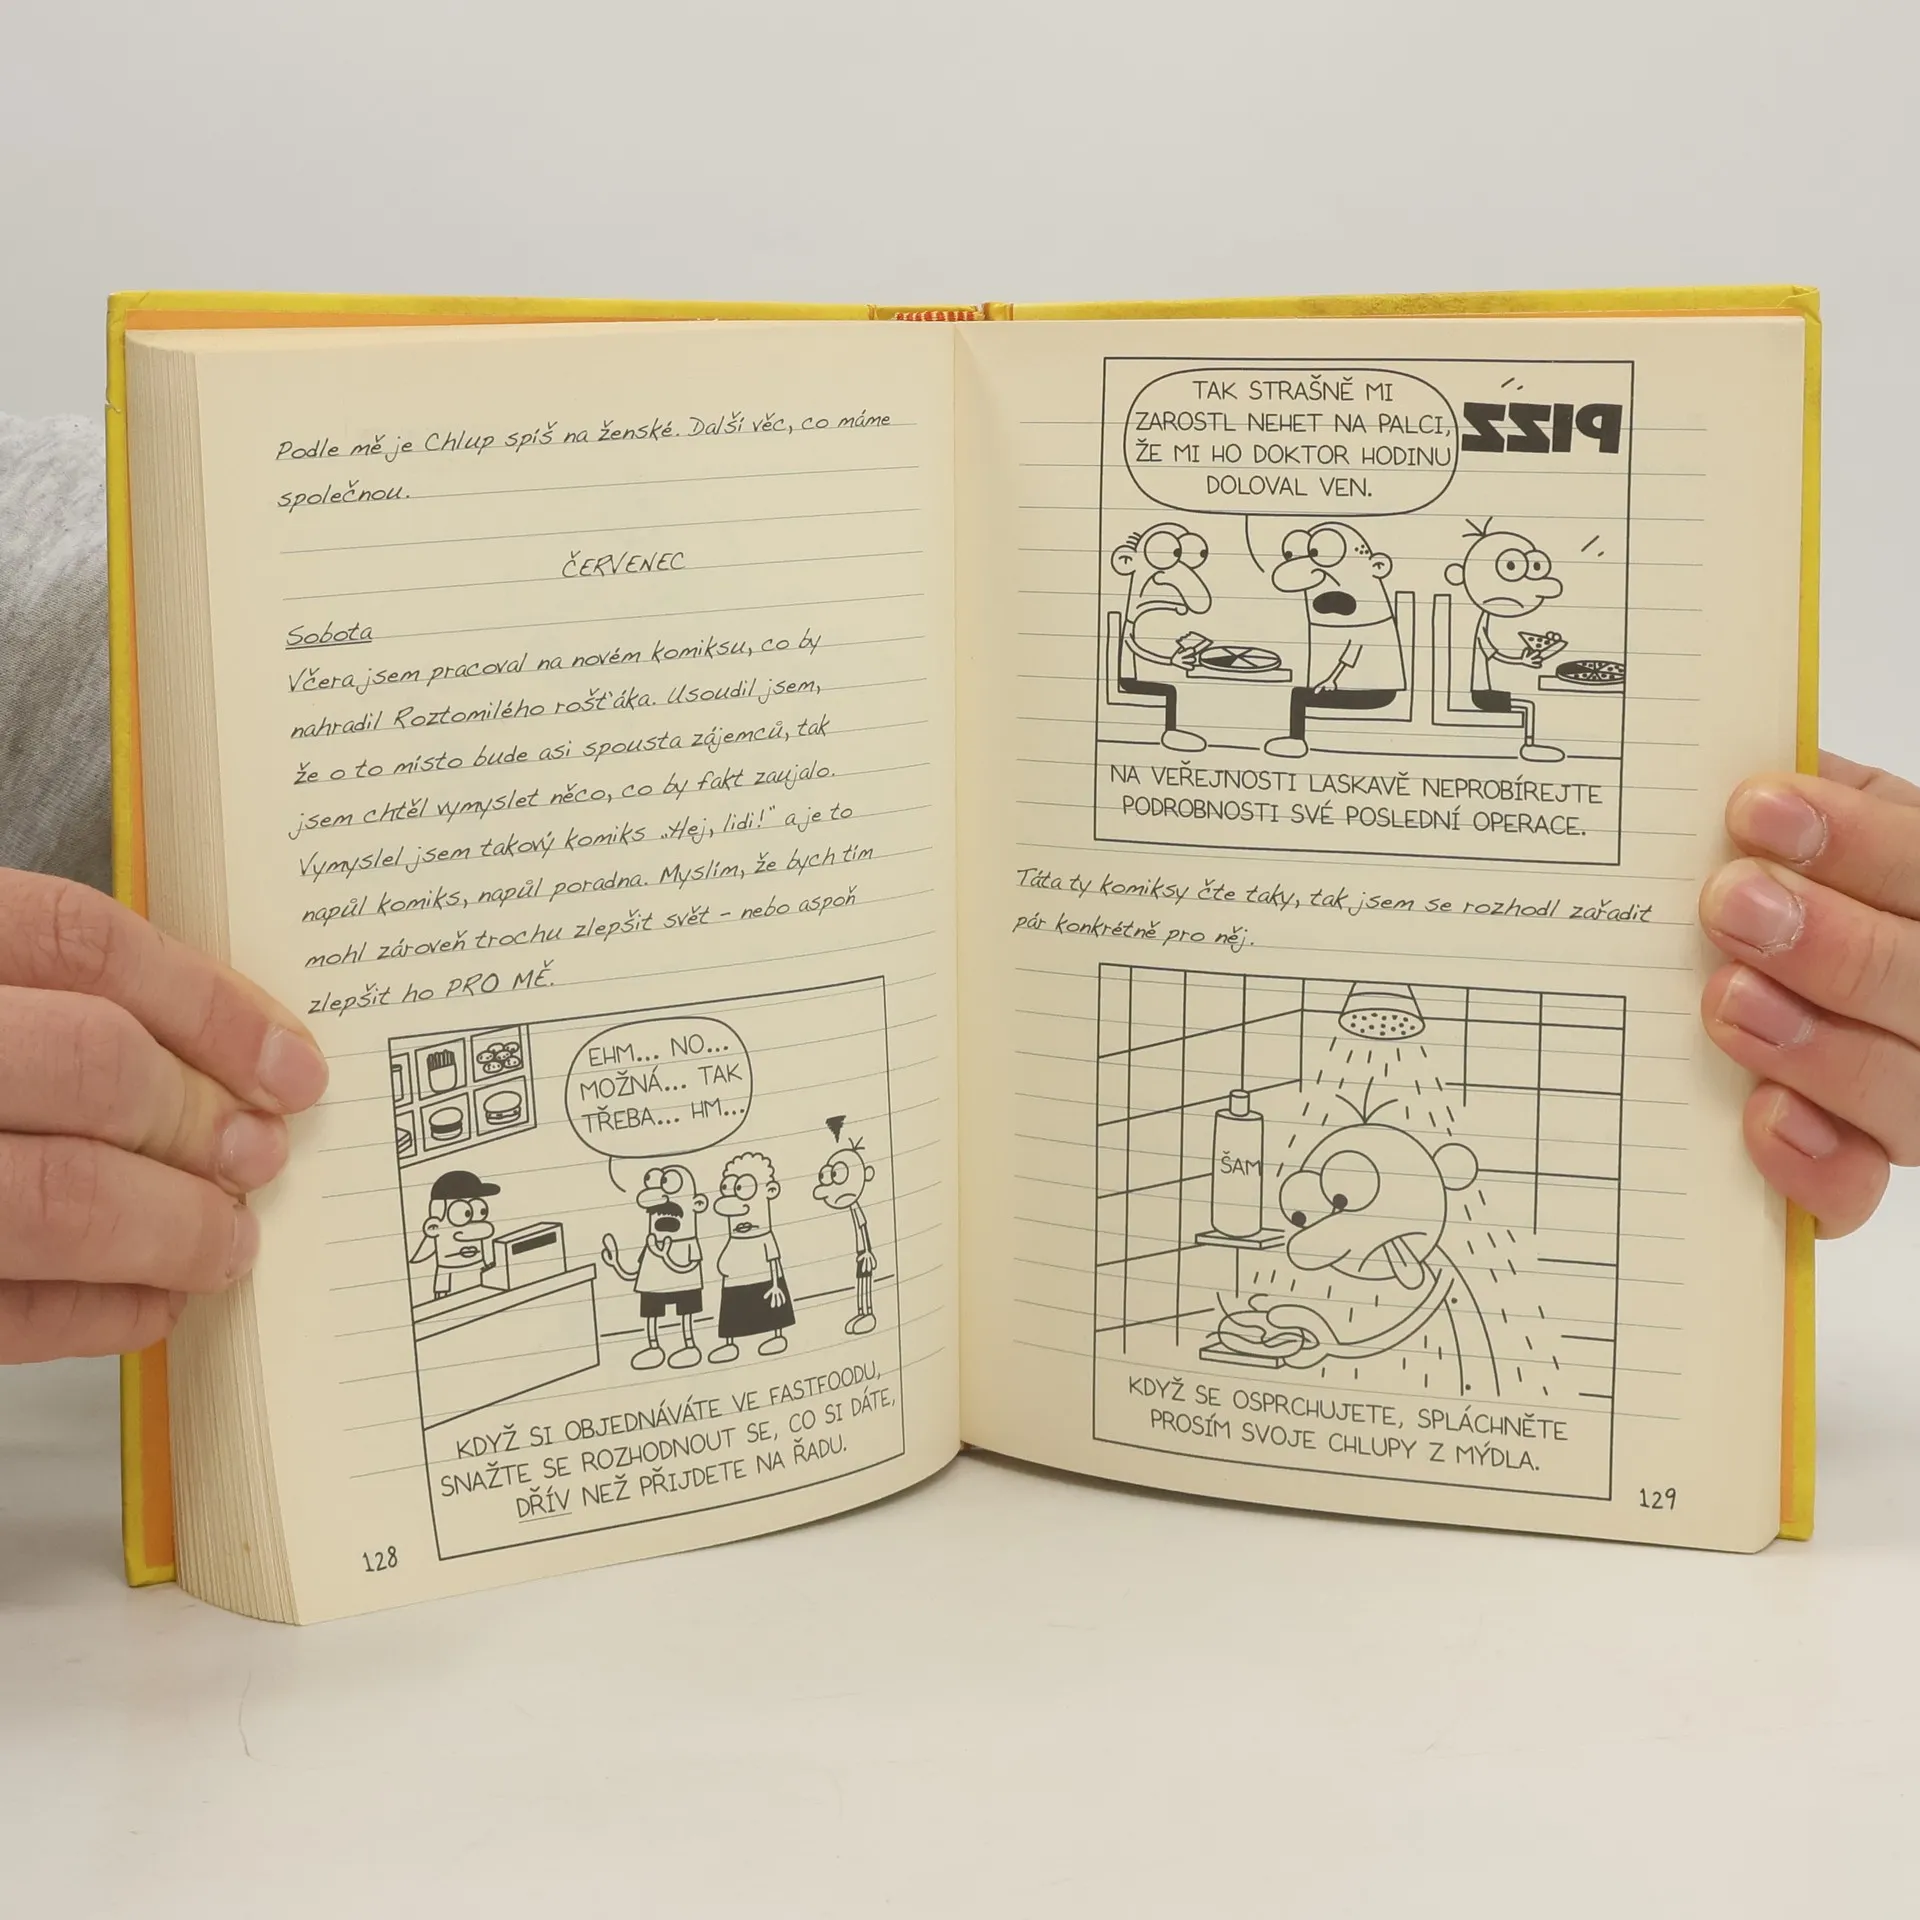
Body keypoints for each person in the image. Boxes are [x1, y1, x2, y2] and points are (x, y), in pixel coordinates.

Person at [1261, 521, 1407, 758]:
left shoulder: (1371, 620)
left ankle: (1296, 740)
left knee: (1299, 695)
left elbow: (1354, 651)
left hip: (1375, 691)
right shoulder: (1335, 619)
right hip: (1356, 686)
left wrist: (1332, 679)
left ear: (1378, 566)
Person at [599, 1161, 708, 1370]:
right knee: (652, 1314)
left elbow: (688, 1268)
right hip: (652, 1286)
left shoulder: (688, 1243)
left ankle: (689, 1344)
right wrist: (616, 1264)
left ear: (697, 1204)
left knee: (686, 1312)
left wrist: (666, 1256)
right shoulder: (650, 1245)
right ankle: (653, 1346)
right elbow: (634, 1274)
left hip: (686, 1285)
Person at [408, 1168, 500, 1299]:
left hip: (479, 1271)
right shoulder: (444, 1270)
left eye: (481, 1211)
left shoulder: (478, 1231)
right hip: (449, 1273)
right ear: (434, 1226)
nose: (474, 1226)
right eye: (464, 1213)